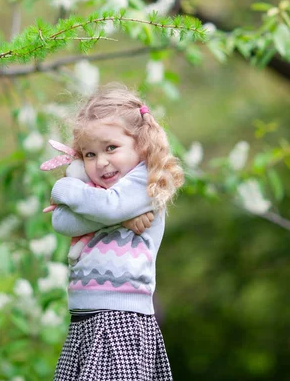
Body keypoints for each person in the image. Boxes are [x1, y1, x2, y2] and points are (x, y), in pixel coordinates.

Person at [48, 84, 184, 381]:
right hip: (86, 320)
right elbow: (61, 222)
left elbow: (110, 207)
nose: (101, 162)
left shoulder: (145, 181)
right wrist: (120, 220)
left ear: (141, 144)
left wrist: (65, 188)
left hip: (122, 321)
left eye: (111, 148)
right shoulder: (96, 194)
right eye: (89, 154)